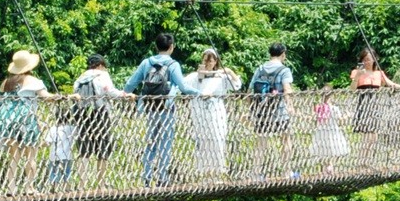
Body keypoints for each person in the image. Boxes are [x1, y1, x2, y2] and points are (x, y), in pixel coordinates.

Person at [124, 33, 189, 186]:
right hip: (166, 107)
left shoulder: (146, 62)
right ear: (172, 47)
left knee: (151, 141)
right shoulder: (173, 64)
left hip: (150, 107)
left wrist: (124, 94)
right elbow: (183, 87)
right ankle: (162, 178)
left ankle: (147, 178)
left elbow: (130, 84)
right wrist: (201, 94)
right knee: (165, 143)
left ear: (156, 46)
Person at [0, 51, 47, 194]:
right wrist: (64, 97)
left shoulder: (6, 83)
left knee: (14, 156)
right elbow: (46, 96)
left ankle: (11, 188)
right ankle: (29, 187)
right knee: (30, 156)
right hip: (26, 120)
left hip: (7, 120)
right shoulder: (33, 80)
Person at [70, 55, 128, 187]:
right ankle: (101, 184)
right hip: (100, 113)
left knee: (84, 149)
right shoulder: (102, 75)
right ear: (101, 65)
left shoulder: (81, 78)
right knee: (103, 147)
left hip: (82, 114)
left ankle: (82, 184)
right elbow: (110, 91)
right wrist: (125, 95)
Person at [182, 48, 240, 178]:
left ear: (215, 62)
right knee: (202, 139)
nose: (208, 63)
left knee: (217, 138)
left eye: (211, 61)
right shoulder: (196, 76)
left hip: (216, 111)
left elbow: (237, 85)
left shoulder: (221, 77)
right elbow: (183, 84)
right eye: (205, 60)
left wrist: (229, 71)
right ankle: (203, 171)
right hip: (200, 111)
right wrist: (199, 74)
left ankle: (218, 170)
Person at [246, 43, 297, 179]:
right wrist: (290, 106)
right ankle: (286, 172)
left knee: (260, 143)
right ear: (283, 54)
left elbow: (250, 91)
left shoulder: (260, 69)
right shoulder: (284, 70)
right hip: (279, 112)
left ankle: (255, 173)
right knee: (286, 139)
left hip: (262, 112)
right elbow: (287, 89)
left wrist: (250, 110)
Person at [348, 46, 400, 164]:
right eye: (364, 60)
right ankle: (361, 161)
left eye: (369, 59)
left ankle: (366, 161)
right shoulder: (357, 72)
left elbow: (390, 84)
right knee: (367, 136)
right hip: (364, 106)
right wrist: (357, 77)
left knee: (374, 136)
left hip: (375, 106)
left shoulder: (379, 73)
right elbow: (352, 89)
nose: (367, 62)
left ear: (374, 59)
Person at [311, 97, 351, 172]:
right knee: (333, 148)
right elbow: (340, 119)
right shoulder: (334, 108)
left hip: (321, 131)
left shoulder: (319, 108)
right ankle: (330, 166)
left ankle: (324, 167)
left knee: (323, 149)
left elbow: (314, 118)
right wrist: (347, 115)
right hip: (333, 131)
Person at [41, 118, 77, 190]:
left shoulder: (53, 129)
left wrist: (41, 143)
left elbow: (47, 142)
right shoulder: (71, 128)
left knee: (54, 173)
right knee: (67, 173)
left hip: (55, 155)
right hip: (67, 155)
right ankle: (66, 188)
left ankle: (56, 188)